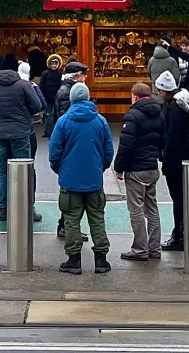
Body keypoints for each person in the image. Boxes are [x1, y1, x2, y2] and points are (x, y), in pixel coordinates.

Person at [49, 81, 114, 273]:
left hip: (70, 180)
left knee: (71, 219)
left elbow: (54, 153)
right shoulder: (100, 121)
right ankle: (101, 260)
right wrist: (99, 168)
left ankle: (74, 260)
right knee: (97, 218)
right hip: (93, 179)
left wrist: (60, 169)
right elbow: (108, 151)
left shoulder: (63, 122)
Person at [0, 61, 45, 224]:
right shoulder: (23, 85)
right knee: (24, 170)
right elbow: (37, 106)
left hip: (1, 133)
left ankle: (4, 208)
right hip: (21, 133)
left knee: (2, 171)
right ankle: (26, 207)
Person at [113, 81, 165, 261]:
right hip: (151, 167)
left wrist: (119, 167)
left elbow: (126, 145)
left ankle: (140, 249)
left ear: (134, 96)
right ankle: (155, 248)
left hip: (136, 169)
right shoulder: (160, 114)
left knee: (135, 209)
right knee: (152, 208)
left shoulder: (132, 115)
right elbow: (162, 141)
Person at [156, 70, 189, 252]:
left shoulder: (173, 108)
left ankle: (180, 235)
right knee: (181, 196)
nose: (158, 91)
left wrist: (164, 155)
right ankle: (182, 232)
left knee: (177, 196)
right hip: (182, 155)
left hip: (173, 158)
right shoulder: (183, 103)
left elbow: (172, 136)